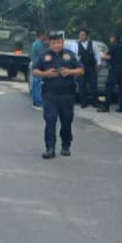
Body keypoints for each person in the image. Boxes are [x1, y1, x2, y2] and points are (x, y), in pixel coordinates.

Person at [32, 31, 84, 159]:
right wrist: (46, 74)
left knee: (66, 121)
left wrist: (70, 71)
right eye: (53, 42)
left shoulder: (69, 55)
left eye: (59, 42)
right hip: (50, 93)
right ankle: (50, 148)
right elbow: (34, 71)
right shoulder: (44, 55)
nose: (56, 45)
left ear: (63, 43)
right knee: (50, 120)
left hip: (67, 93)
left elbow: (81, 70)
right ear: (49, 43)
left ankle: (66, 146)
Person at [99, 34, 122, 113]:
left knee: (109, 87)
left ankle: (106, 106)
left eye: (111, 38)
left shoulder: (113, 46)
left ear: (113, 39)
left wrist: (103, 55)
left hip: (114, 70)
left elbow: (108, 57)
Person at [70, 28, 102, 109]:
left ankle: (95, 102)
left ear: (87, 36)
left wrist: (98, 63)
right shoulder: (75, 45)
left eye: (83, 35)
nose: (81, 36)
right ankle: (83, 102)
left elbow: (97, 54)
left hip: (91, 67)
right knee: (82, 85)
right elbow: (73, 56)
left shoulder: (93, 44)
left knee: (93, 85)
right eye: (80, 35)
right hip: (80, 68)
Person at [29, 30, 48, 111]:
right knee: (38, 85)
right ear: (42, 35)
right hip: (39, 66)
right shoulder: (39, 45)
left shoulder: (34, 43)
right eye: (45, 35)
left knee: (35, 84)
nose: (45, 37)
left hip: (34, 65)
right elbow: (43, 55)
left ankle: (36, 102)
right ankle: (38, 102)